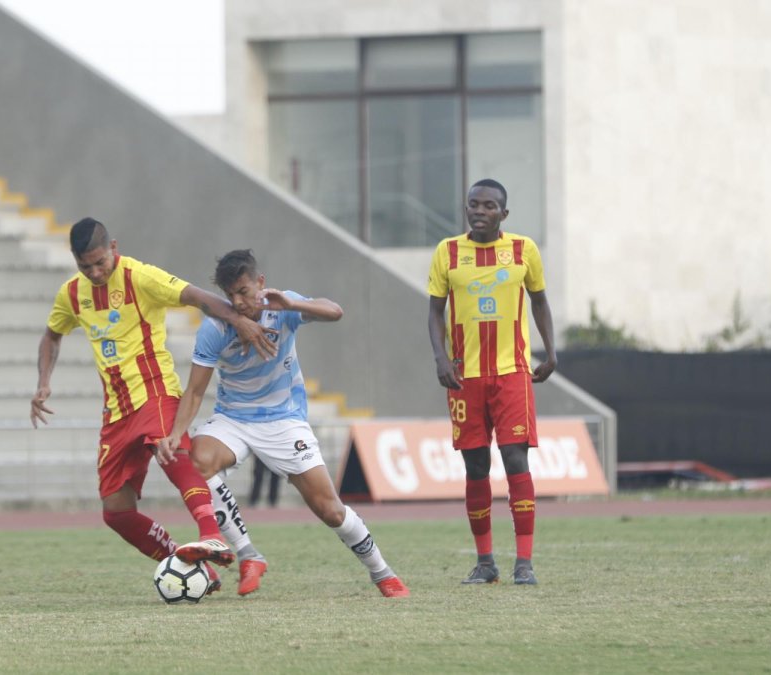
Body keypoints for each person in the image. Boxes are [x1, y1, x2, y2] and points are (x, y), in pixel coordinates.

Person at [32, 219, 278, 594]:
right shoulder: (72, 294)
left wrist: (238, 320)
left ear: (113, 247)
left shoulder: (139, 277)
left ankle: (211, 534)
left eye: (100, 262)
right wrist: (44, 383)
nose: (96, 273)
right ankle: (191, 565)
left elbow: (198, 297)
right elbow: (51, 336)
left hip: (154, 391)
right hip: (115, 412)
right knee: (116, 512)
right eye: (86, 267)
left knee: (174, 451)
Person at [157, 249, 411, 598]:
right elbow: (196, 391)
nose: (238, 302)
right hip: (233, 419)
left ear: (260, 283)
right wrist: (174, 434)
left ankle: (382, 573)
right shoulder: (214, 328)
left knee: (330, 510)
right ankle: (248, 555)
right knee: (196, 459)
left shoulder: (283, 306)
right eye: (230, 295)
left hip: (284, 421)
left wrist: (291, 306)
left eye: (244, 292)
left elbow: (335, 312)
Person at [427, 178, 557, 586]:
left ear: (504, 213)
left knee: (517, 461)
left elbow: (539, 301)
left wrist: (551, 352)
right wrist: (441, 357)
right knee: (476, 466)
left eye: (488, 206)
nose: (479, 211)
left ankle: (524, 563)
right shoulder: (447, 252)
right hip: (465, 379)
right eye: (473, 204)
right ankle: (485, 562)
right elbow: (434, 312)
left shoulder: (524, 250)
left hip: (512, 373)